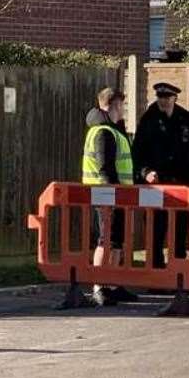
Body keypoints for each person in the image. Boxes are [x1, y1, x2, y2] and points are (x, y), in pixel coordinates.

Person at [132, 82, 189, 267]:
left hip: (181, 185)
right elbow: (137, 154)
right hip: (157, 186)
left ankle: (178, 275)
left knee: (180, 231)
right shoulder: (148, 121)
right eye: (160, 97)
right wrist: (145, 172)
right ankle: (156, 276)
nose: (163, 101)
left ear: (174, 98)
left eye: (167, 98)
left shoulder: (184, 122)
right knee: (155, 232)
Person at [83, 87, 136, 307]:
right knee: (105, 241)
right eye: (122, 105)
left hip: (118, 195)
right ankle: (99, 286)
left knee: (115, 242)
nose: (124, 110)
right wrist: (111, 196)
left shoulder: (112, 129)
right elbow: (105, 169)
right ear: (114, 105)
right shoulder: (103, 132)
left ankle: (113, 285)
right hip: (107, 196)